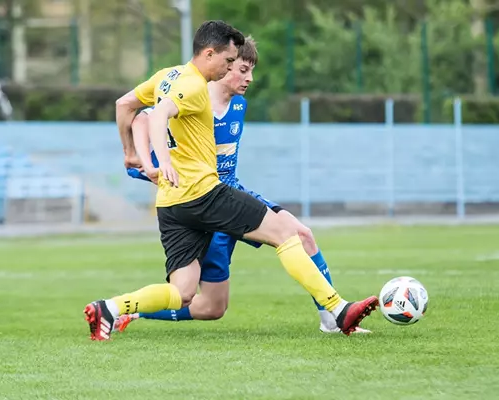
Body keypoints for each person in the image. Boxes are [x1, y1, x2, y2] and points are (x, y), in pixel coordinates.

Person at [84, 20, 378, 341]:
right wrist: (161, 161)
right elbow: (154, 116)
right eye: (229, 62)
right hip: (205, 194)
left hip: (172, 204)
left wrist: (130, 153)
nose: (230, 69)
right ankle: (337, 310)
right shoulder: (194, 86)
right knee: (285, 233)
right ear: (209, 53)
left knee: (184, 292)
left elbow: (124, 104)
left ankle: (110, 308)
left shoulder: (167, 76)